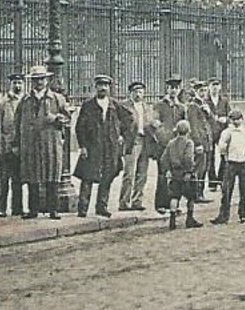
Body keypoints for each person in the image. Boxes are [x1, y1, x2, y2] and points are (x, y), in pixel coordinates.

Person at [16, 65, 70, 220]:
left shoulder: (57, 98)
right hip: (31, 143)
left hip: (50, 142)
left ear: (46, 80)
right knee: (32, 175)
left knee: (52, 173)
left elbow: (67, 118)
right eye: (35, 79)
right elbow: (17, 121)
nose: (38, 82)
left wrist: (56, 118)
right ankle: (33, 209)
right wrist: (16, 143)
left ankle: (52, 209)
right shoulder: (25, 100)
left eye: (41, 79)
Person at [75, 74, 130, 218]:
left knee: (107, 177)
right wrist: (83, 146)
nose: (103, 88)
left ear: (109, 88)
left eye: (106, 85)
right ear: (96, 87)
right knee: (87, 177)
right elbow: (79, 127)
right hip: (93, 147)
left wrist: (121, 135)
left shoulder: (115, 105)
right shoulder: (88, 105)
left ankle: (102, 206)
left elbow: (129, 119)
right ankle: (83, 208)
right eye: (100, 85)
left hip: (110, 147)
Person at [148, 76, 186, 212]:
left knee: (177, 176)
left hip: (177, 147)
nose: (173, 91)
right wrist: (163, 133)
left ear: (179, 89)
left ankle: (174, 205)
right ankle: (161, 204)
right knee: (163, 174)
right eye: (171, 88)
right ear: (167, 89)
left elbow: (186, 125)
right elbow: (154, 122)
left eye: (176, 88)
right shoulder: (159, 105)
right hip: (163, 146)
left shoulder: (182, 107)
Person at [211, 109, 245, 224]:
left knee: (243, 190)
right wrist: (225, 157)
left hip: (244, 162)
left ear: (242, 119)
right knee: (227, 190)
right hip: (231, 163)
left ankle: (242, 214)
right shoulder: (226, 132)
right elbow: (222, 147)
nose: (236, 122)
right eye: (233, 119)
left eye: (238, 119)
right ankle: (224, 215)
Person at [0, 72, 26, 217]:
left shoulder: (26, 101)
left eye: (20, 83)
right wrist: (1, 147)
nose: (17, 86)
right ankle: (1, 208)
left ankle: (17, 208)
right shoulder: (3, 103)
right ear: (10, 85)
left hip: (21, 146)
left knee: (18, 179)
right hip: (6, 146)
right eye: (15, 83)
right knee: (4, 179)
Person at [119, 80, 152, 211]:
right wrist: (121, 135)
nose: (138, 94)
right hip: (132, 141)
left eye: (140, 92)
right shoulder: (124, 106)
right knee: (129, 173)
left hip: (146, 141)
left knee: (142, 173)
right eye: (135, 92)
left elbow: (150, 121)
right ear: (130, 93)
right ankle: (124, 202)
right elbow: (119, 123)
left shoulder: (147, 107)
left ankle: (137, 201)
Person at [160, 118, 200, 230]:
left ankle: (172, 221)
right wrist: (189, 172)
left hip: (174, 173)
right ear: (188, 131)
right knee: (191, 197)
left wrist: (167, 170)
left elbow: (163, 159)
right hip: (185, 174)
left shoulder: (171, 143)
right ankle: (190, 219)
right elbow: (188, 159)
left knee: (174, 196)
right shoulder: (189, 143)